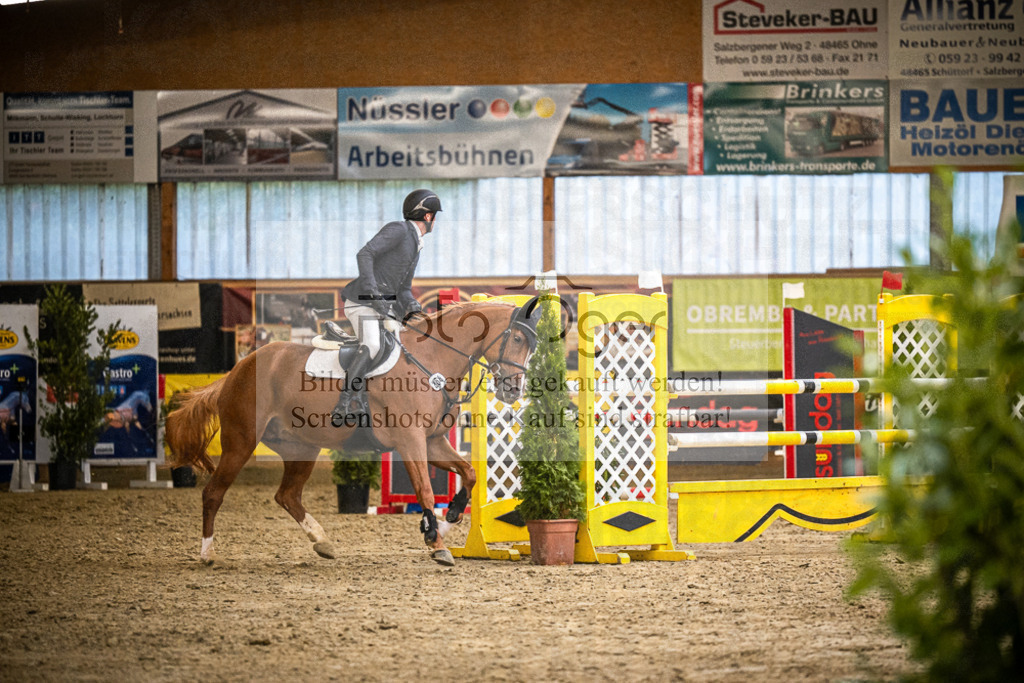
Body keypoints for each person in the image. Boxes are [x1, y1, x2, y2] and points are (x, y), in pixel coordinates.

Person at [333, 189, 442, 420]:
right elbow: (365, 254)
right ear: (428, 217)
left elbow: (403, 289)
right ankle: (346, 401)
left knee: (407, 347)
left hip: (384, 307)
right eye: (435, 217)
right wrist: (373, 293)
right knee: (373, 344)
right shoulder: (399, 230)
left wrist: (413, 306)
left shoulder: (416, 246)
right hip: (361, 302)